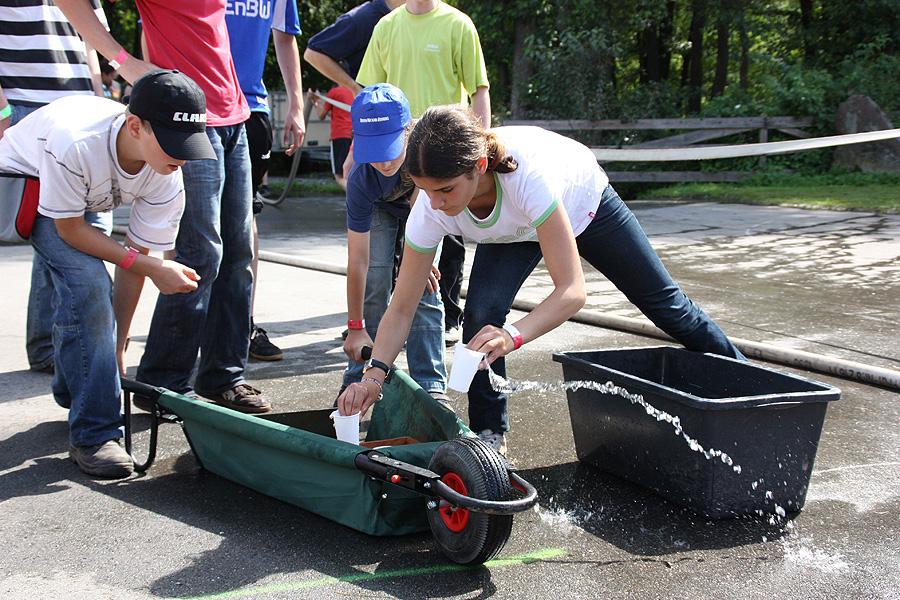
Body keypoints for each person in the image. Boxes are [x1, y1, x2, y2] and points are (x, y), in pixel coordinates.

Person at [337, 106, 746, 454]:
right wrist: (374, 377)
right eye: (426, 191)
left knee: (668, 307)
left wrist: (512, 336)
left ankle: (750, 387)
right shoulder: (431, 206)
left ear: (479, 167)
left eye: (445, 190)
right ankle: (488, 436)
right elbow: (402, 306)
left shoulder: (528, 179)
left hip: (582, 205)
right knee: (479, 318)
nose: (437, 204)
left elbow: (571, 291)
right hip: (512, 227)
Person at [56, 0, 271, 413]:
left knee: (238, 255)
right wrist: (123, 61)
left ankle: (224, 377)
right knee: (201, 254)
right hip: (187, 123)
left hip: (233, 115)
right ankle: (162, 383)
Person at [0, 69, 211, 477]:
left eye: (189, 145)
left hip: (91, 190)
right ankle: (95, 435)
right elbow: (70, 230)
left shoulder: (167, 171)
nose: (182, 157)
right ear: (135, 126)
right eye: (173, 143)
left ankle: (79, 387)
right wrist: (153, 267)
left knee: (91, 310)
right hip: (32, 183)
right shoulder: (76, 144)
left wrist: (118, 345)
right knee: (89, 286)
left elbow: (136, 254)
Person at [356, 0, 492, 352]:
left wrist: (481, 145)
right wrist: (358, 147)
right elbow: (367, 92)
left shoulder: (458, 24)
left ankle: (443, 329)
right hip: (396, 153)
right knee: (384, 268)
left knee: (435, 263)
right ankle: (375, 348)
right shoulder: (387, 26)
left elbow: (478, 90)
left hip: (444, 159)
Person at [0, 0, 110, 375]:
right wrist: (3, 111)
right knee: (59, 238)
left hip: (80, 113)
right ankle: (54, 348)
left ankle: (51, 345)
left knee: (73, 235)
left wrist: (98, 101)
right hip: (25, 108)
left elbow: (89, 42)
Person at [341, 83, 446, 399]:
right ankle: (359, 376)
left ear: (408, 133)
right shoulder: (361, 179)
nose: (384, 163)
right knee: (375, 279)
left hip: (424, 204)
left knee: (422, 285)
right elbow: (358, 260)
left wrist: (418, 263)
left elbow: (421, 214)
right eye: (374, 152)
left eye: (389, 149)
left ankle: (430, 385)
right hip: (379, 207)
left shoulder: (426, 152)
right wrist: (354, 325)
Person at [226, 0, 306, 363]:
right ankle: (189, 322)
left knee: (246, 217)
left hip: (251, 107)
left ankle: (244, 322)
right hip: (201, 102)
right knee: (189, 217)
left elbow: (285, 37)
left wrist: (296, 105)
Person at [303, 0, 405, 180]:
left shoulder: (431, 16)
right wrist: (354, 87)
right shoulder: (363, 18)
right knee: (373, 188)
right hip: (378, 129)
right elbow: (313, 53)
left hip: (415, 125)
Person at [313, 85, 354, 190]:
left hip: (340, 136)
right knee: (351, 173)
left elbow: (321, 115)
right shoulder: (354, 91)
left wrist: (316, 101)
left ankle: (357, 198)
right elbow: (340, 114)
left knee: (340, 176)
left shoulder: (334, 92)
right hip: (354, 136)